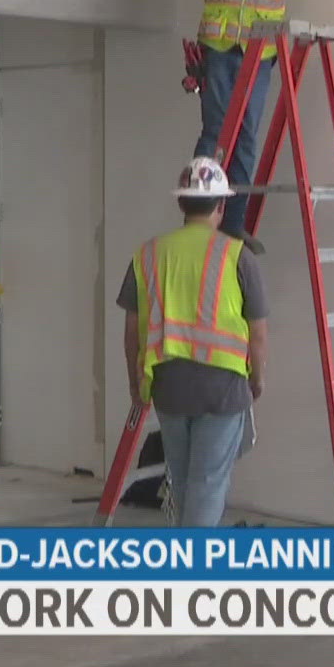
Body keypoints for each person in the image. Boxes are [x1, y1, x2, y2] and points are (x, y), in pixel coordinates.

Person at [117, 156, 270, 526]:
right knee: (207, 485)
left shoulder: (148, 254)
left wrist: (136, 384)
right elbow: (258, 333)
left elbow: (132, 330)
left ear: (181, 203)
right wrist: (257, 379)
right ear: (221, 205)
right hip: (222, 389)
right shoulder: (239, 257)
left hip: (169, 387)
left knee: (184, 483)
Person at [182, 0, 316, 253]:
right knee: (216, 133)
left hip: (257, 59)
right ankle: (198, 210)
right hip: (220, 53)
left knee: (244, 141)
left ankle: (232, 223)